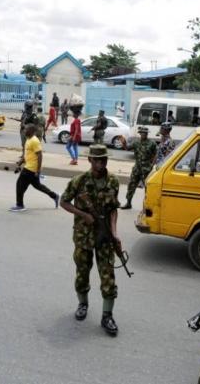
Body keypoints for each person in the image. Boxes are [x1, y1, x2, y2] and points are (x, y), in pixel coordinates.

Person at [60, 144, 121, 336]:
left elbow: (113, 210)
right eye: (98, 160)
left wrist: (115, 233)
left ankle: (107, 315)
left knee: (108, 277)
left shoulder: (113, 181)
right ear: (90, 160)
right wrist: (82, 214)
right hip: (83, 236)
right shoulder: (79, 181)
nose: (102, 163)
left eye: (104, 159)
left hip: (104, 237)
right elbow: (63, 202)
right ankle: (82, 304)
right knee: (82, 273)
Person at [10, 124, 59, 212]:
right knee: (38, 186)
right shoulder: (28, 140)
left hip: (30, 169)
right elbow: (27, 154)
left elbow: (40, 155)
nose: (24, 131)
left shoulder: (34, 141)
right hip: (29, 167)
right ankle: (54, 196)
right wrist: (20, 162)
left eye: (26, 130)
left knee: (20, 185)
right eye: (24, 129)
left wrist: (38, 170)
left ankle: (20, 205)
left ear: (32, 131)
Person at [121, 126, 157, 209]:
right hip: (137, 167)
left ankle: (147, 205)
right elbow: (127, 148)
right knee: (131, 184)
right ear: (140, 133)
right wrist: (124, 143)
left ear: (147, 134)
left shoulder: (152, 143)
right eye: (142, 133)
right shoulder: (136, 143)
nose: (143, 134)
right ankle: (128, 203)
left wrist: (152, 164)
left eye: (145, 133)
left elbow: (156, 154)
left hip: (147, 168)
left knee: (148, 188)